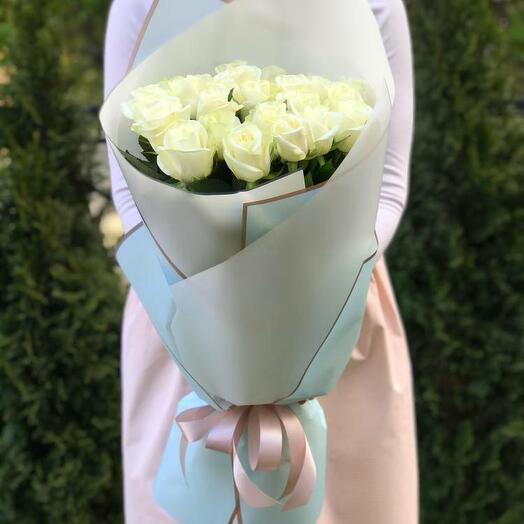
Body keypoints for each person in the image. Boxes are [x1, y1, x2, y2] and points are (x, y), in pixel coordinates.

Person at [104, 1, 418, 522]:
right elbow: (128, 183)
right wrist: (217, 287)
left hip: (338, 311)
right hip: (182, 312)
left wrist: (312, 281)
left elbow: (387, 186)